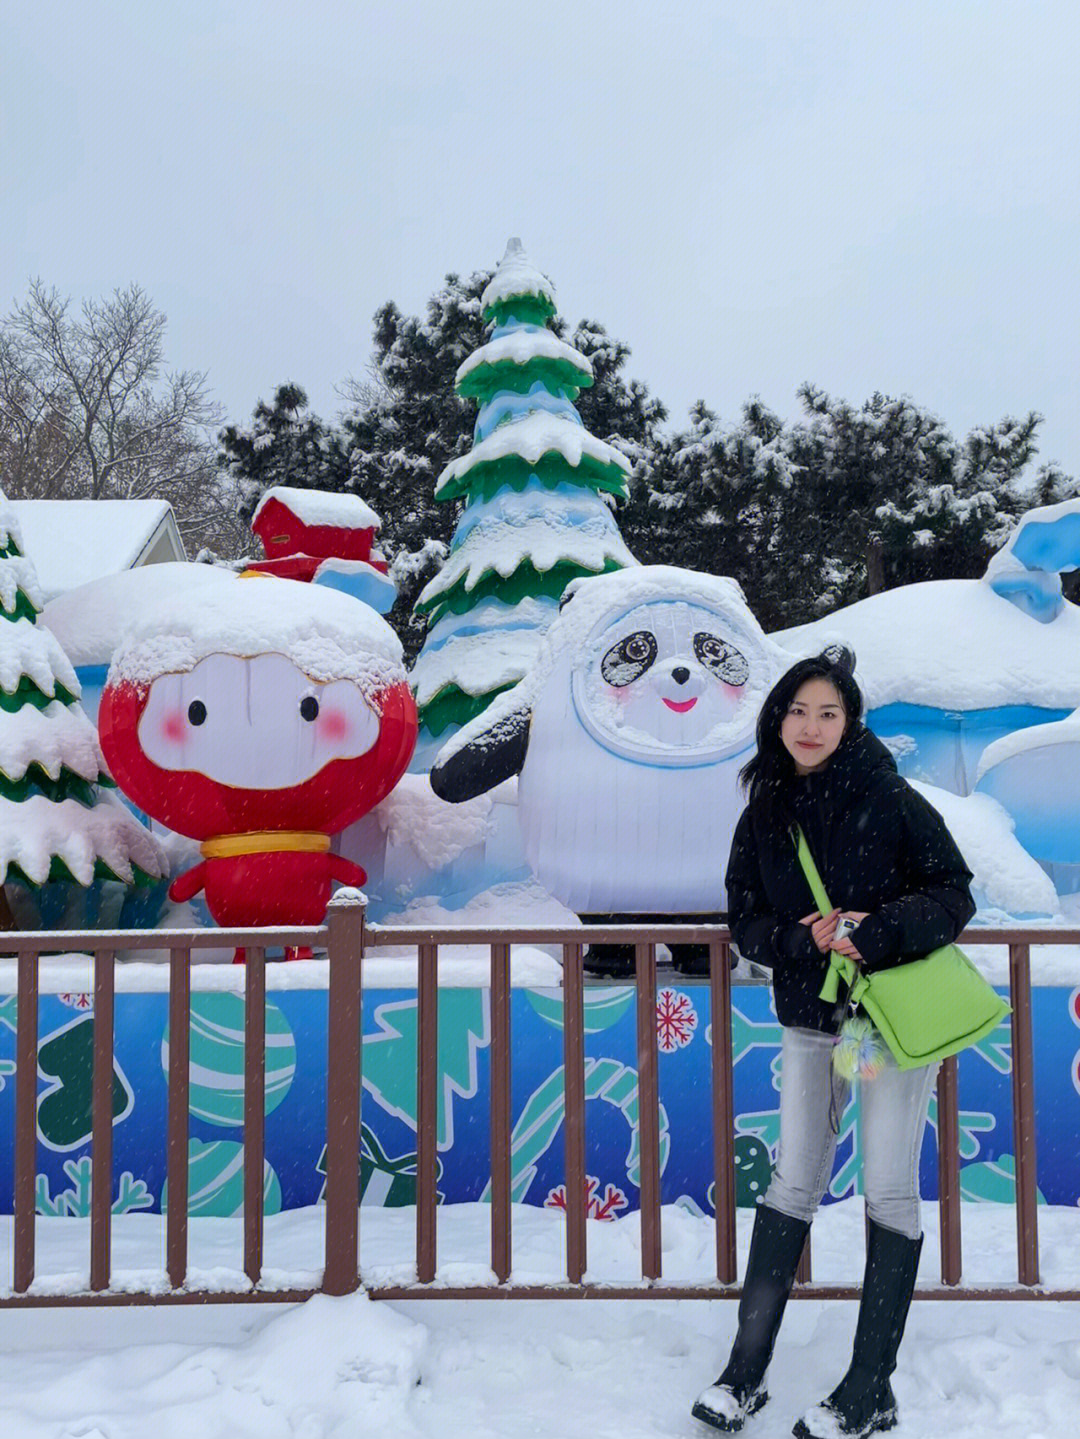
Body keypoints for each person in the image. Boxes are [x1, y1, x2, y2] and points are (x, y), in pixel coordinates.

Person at [691, 647, 975, 1439]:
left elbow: (953, 890)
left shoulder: (890, 798)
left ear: (849, 724)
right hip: (811, 1019)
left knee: (887, 1187)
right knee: (793, 1183)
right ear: (776, 718)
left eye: (828, 712)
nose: (810, 726)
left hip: (886, 1019)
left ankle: (870, 1387)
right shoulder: (766, 813)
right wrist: (797, 936)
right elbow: (743, 916)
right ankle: (743, 1375)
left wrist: (876, 932)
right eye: (797, 711)